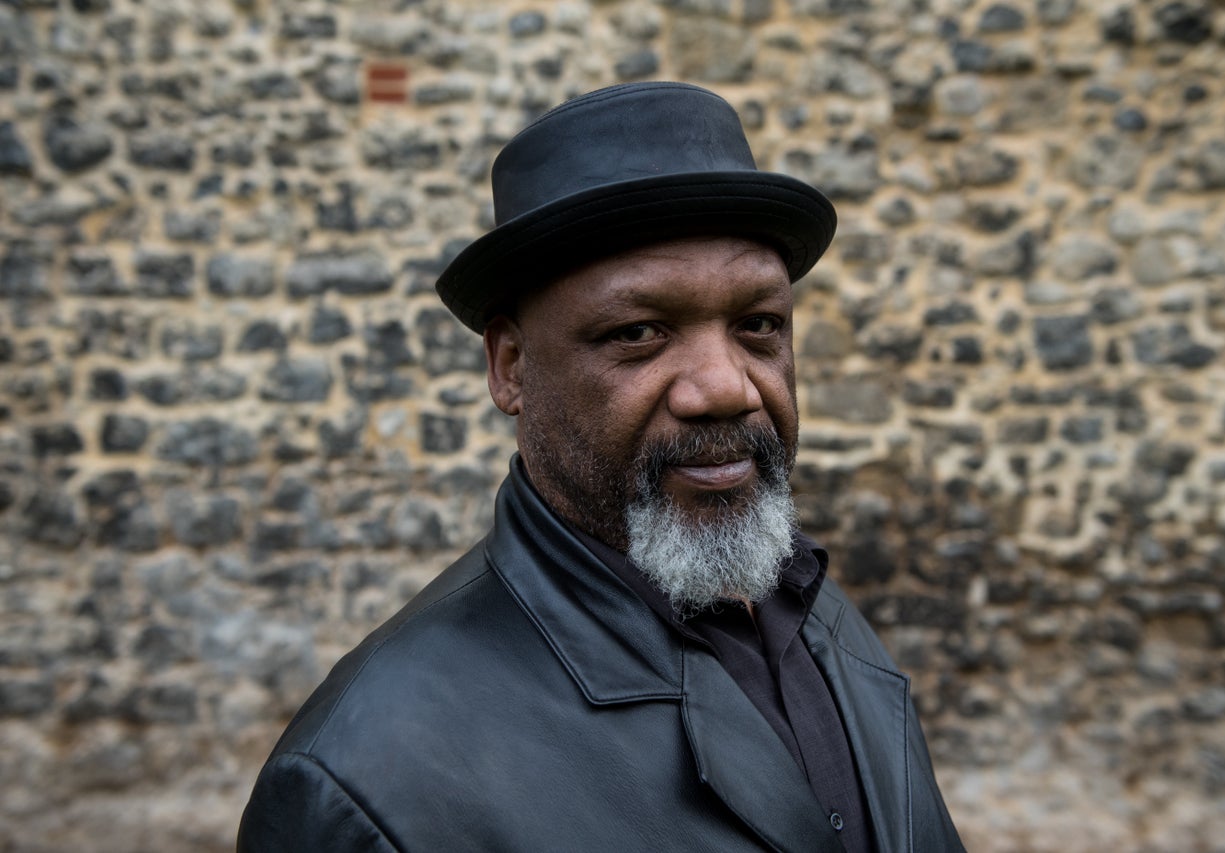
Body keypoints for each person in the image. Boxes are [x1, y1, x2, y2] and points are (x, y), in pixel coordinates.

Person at [238, 82, 964, 853]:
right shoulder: (361, 784)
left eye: (758, 325)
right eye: (641, 332)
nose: (726, 386)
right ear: (511, 366)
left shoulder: (817, 612)